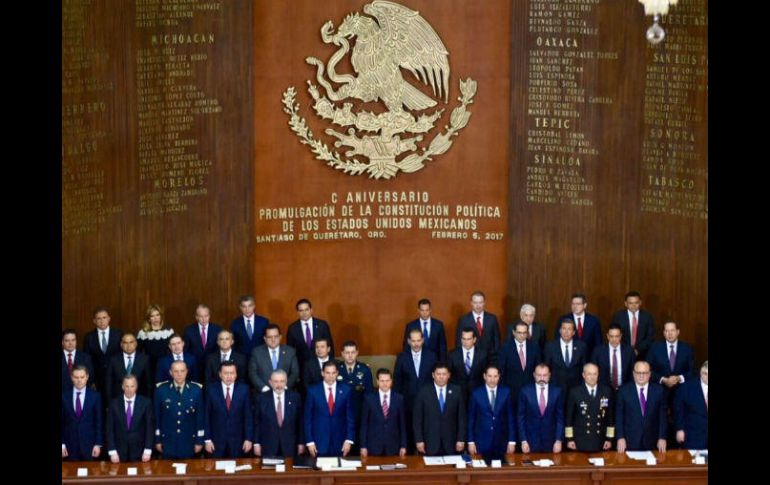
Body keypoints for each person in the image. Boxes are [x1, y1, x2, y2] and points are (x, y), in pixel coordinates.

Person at [393, 328, 437, 453]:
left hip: (428, 402)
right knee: (409, 432)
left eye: (418, 340)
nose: (416, 344)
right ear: (408, 341)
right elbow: (397, 381)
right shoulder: (402, 357)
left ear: (423, 340)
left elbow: (436, 379)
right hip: (408, 403)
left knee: (427, 431)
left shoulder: (432, 356)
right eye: (413, 341)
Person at [153, 361, 204, 459]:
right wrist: (158, 440)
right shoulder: (161, 390)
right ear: (170, 373)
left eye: (182, 371)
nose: (179, 374)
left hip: (189, 441)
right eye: (176, 371)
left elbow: (200, 418)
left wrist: (199, 440)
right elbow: (157, 417)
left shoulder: (196, 390)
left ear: (187, 372)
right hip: (168, 442)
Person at [413, 362, 466, 455]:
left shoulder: (457, 391)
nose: (441, 377)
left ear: (449, 375)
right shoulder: (423, 392)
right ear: (433, 375)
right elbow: (417, 419)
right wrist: (419, 440)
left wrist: (461, 439)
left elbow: (461, 418)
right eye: (438, 374)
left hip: (452, 443)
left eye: (444, 374)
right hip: (429, 443)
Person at [304, 360, 356, 457]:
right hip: (319, 442)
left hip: (340, 443)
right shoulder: (312, 391)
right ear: (322, 373)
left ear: (337, 373)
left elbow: (350, 418)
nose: (330, 376)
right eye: (327, 373)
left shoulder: (346, 390)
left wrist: (349, 440)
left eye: (333, 373)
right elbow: (308, 418)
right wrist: (309, 441)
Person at [204, 361, 254, 458]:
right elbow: (206, 416)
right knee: (217, 471)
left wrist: (248, 439)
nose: (229, 376)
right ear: (220, 374)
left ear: (236, 375)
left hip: (238, 442)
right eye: (226, 373)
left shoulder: (244, 389)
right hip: (216, 442)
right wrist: (207, 439)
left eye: (232, 373)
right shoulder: (211, 390)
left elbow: (248, 416)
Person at [615, 361, 667, 453]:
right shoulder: (623, 391)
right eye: (638, 373)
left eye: (645, 373)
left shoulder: (659, 391)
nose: (641, 376)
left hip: (653, 441)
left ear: (649, 374)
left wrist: (662, 437)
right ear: (633, 374)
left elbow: (662, 417)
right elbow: (619, 417)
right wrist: (620, 437)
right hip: (629, 441)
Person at [467, 365, 516, 458]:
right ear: (484, 376)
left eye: (495, 376)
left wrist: (512, 441)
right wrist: (471, 442)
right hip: (481, 442)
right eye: (489, 376)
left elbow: (510, 418)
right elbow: (471, 419)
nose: (492, 379)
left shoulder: (506, 392)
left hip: (501, 441)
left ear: (499, 377)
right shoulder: (476, 393)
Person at [253, 369, 304, 458]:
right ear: (270, 382)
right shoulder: (261, 399)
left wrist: (301, 443)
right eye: (276, 382)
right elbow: (257, 422)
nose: (279, 385)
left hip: (290, 446)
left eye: (282, 381)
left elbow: (300, 422)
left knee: (289, 471)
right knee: (269, 471)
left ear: (286, 382)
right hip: (268, 445)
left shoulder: (295, 397)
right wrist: (256, 443)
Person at [565, 363, 614, 452]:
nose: (592, 377)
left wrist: (609, 438)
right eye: (589, 374)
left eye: (595, 374)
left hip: (600, 440)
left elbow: (610, 417)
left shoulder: (606, 391)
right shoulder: (575, 392)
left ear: (598, 374)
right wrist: (569, 439)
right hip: (580, 440)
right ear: (583, 375)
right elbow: (569, 418)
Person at [106, 374, 154, 463]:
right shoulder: (114, 404)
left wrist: (148, 450)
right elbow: (110, 429)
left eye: (132, 386)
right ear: (122, 386)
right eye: (127, 386)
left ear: (136, 387)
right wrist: (112, 451)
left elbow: (149, 428)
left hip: (140, 452)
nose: (129, 389)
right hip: (118, 453)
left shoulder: (145, 403)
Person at [517, 364, 564, 454]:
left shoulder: (557, 392)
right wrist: (523, 440)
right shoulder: (525, 391)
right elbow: (520, 418)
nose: (542, 378)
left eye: (545, 375)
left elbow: (560, 419)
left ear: (549, 375)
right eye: (539, 375)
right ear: (534, 375)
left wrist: (558, 440)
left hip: (551, 442)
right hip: (530, 442)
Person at [360, 368, 407, 458]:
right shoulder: (369, 399)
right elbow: (364, 424)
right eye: (382, 381)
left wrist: (403, 445)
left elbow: (402, 424)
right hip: (373, 446)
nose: (385, 383)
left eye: (387, 380)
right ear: (377, 381)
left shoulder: (399, 398)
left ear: (391, 381)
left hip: (393, 446)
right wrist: (363, 446)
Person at [337, 340, 373, 453]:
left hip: (359, 413)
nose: (350, 355)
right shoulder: (336, 369)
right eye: (347, 352)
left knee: (357, 446)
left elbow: (369, 394)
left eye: (352, 352)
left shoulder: (364, 369)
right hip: (340, 414)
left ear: (357, 353)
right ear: (342, 353)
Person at [498, 321, 541, 413]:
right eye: (519, 333)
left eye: (524, 333)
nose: (522, 335)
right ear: (514, 332)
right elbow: (501, 371)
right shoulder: (505, 348)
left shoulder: (534, 347)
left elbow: (538, 369)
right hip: (511, 392)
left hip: (530, 391)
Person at [62, 365, 102, 461]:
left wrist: (98, 444)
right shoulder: (64, 397)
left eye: (82, 377)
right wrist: (62, 444)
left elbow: (99, 422)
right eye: (76, 377)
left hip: (90, 445)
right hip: (69, 446)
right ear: (71, 377)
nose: (79, 380)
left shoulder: (95, 397)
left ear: (87, 377)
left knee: (90, 474)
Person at [287, 298, 335, 378]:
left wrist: (330, 366)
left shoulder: (322, 325)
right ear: (297, 312)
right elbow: (290, 352)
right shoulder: (292, 328)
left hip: (322, 369)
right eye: (301, 310)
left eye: (306, 309)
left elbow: (330, 347)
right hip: (302, 370)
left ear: (311, 310)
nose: (304, 313)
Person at [83, 307, 124, 395]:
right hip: (97, 379)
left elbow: (122, 356)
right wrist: (91, 380)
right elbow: (87, 360)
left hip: (116, 377)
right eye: (99, 318)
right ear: (94, 321)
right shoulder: (89, 337)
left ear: (109, 319)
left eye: (104, 318)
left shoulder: (119, 334)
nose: (102, 321)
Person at [249, 324, 300, 393]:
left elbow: (295, 373)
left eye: (276, 336)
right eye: (269, 337)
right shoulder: (256, 352)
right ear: (265, 338)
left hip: (285, 392)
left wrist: (284, 387)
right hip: (263, 393)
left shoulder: (290, 351)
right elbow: (252, 373)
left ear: (280, 337)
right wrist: (264, 388)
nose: (273, 340)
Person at [647, 321, 695, 393]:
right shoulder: (654, 348)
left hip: (682, 390)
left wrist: (679, 378)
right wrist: (663, 379)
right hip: (660, 390)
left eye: (672, 330)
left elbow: (693, 370)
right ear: (664, 333)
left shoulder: (687, 348)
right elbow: (648, 369)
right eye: (667, 331)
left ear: (678, 332)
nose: (670, 334)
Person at [455, 291, 501, 362]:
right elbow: (459, 341)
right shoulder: (463, 320)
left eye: (480, 302)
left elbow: (497, 340)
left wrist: (496, 356)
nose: (478, 305)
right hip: (471, 359)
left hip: (490, 359)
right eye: (475, 302)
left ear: (484, 303)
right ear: (471, 303)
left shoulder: (492, 319)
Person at [556, 293, 603, 360]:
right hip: (570, 359)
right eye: (573, 304)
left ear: (585, 305)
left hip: (589, 359)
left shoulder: (594, 321)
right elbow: (558, 340)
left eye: (578, 304)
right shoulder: (563, 320)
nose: (575, 306)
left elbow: (598, 344)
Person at [105, 333, 153, 399]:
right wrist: (109, 403)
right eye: (125, 343)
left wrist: (148, 402)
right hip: (118, 400)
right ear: (121, 345)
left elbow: (149, 384)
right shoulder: (113, 360)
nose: (128, 345)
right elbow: (109, 383)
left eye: (131, 342)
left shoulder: (144, 359)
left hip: (140, 400)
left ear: (136, 343)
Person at [610, 291, 655, 360]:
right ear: (625, 304)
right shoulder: (618, 316)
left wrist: (638, 350)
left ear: (640, 303)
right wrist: (628, 350)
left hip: (643, 354)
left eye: (636, 303)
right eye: (630, 303)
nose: (633, 306)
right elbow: (614, 334)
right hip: (623, 353)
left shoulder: (647, 317)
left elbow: (650, 337)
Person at [544, 319, 587, 392]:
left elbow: (584, 367)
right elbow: (547, 367)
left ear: (573, 332)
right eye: (564, 328)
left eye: (569, 329)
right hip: (556, 387)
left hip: (576, 388)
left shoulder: (581, 346)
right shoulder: (550, 346)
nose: (566, 332)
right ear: (560, 330)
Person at [182, 304, 223, 379]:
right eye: (201, 316)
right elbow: (185, 351)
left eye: (206, 316)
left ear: (209, 316)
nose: (204, 319)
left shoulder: (218, 329)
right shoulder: (188, 331)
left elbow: (220, 349)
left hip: (213, 367)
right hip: (195, 368)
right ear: (196, 317)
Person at [674, 361, 708, 449]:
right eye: (705, 374)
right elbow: (678, 410)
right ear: (700, 372)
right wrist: (679, 429)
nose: (707, 377)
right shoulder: (686, 388)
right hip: (693, 435)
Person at [590, 323, 634, 392]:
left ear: (621, 336)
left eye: (617, 336)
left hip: (625, 389)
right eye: (611, 336)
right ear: (607, 336)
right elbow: (593, 371)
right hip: (603, 389)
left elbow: (632, 371)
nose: (614, 339)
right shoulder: (598, 351)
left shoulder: (629, 351)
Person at [447, 328, 488, 400]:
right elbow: (449, 375)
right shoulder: (452, 354)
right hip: (458, 394)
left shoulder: (483, 355)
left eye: (468, 339)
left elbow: (485, 374)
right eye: (464, 339)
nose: (466, 342)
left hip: (477, 393)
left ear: (474, 340)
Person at [136, 304, 174, 380]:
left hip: (166, 365)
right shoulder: (143, 332)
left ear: (161, 316)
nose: (155, 318)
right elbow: (138, 353)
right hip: (149, 366)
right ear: (149, 319)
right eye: (152, 316)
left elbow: (172, 350)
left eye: (157, 315)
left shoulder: (168, 331)